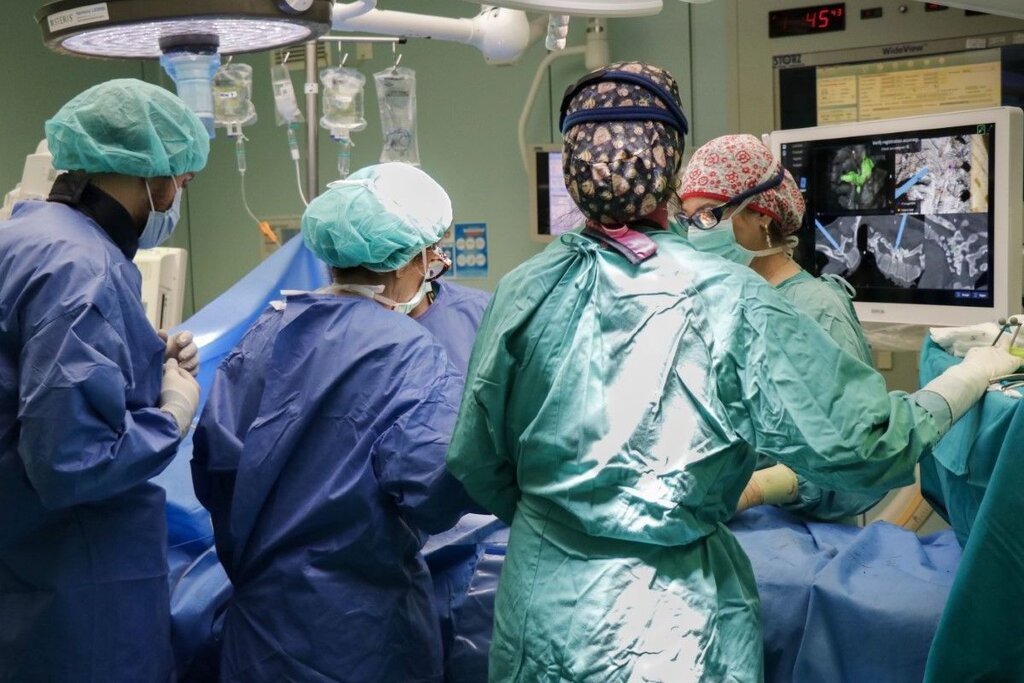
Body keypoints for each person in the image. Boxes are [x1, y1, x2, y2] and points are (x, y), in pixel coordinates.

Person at [444, 61, 1020, 682]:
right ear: (668, 168)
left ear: (573, 168)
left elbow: (477, 460)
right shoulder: (726, 297)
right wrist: (963, 380)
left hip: (541, 607)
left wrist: (569, 522)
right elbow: (866, 443)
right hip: (667, 623)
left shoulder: (522, 288)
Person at [191, 162, 477, 682]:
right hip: (360, 634)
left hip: (263, 634)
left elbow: (215, 470)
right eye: (428, 258)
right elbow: (435, 492)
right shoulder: (407, 351)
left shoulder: (264, 333)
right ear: (406, 262)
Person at [0, 79, 207, 682]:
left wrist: (143, 357)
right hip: (78, 595)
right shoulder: (82, 269)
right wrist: (169, 415)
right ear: (160, 179)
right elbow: (72, 461)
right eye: (182, 182)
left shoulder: (21, 240)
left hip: (22, 564)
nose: (175, 198)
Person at [679, 133, 880, 521]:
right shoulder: (723, 301)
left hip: (799, 535)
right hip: (726, 523)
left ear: (762, 216)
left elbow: (860, 466)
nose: (695, 233)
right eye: (689, 219)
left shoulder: (818, 311)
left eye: (708, 216)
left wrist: (759, 489)